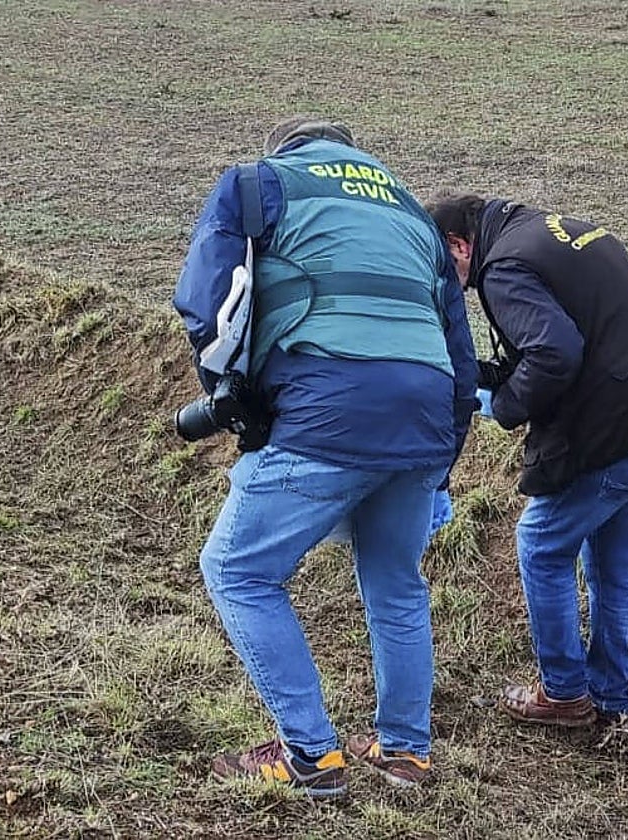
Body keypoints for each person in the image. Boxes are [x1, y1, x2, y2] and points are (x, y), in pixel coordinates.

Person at [173, 118, 478, 797]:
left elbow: (208, 304)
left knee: (237, 569)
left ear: (289, 147)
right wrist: (439, 463)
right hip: (426, 414)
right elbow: (460, 354)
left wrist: (230, 394)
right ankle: (405, 753)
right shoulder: (407, 207)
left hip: (328, 407)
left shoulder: (257, 183)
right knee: (396, 581)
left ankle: (309, 754)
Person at [425, 192, 628, 729]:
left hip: (620, 433)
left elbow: (555, 352)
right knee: (611, 564)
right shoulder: (554, 231)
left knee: (542, 545)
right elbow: (573, 338)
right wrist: (485, 374)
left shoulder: (504, 270)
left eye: (442, 265)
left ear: (460, 244)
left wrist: (505, 406)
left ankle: (563, 694)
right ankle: (612, 698)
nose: (447, 283)